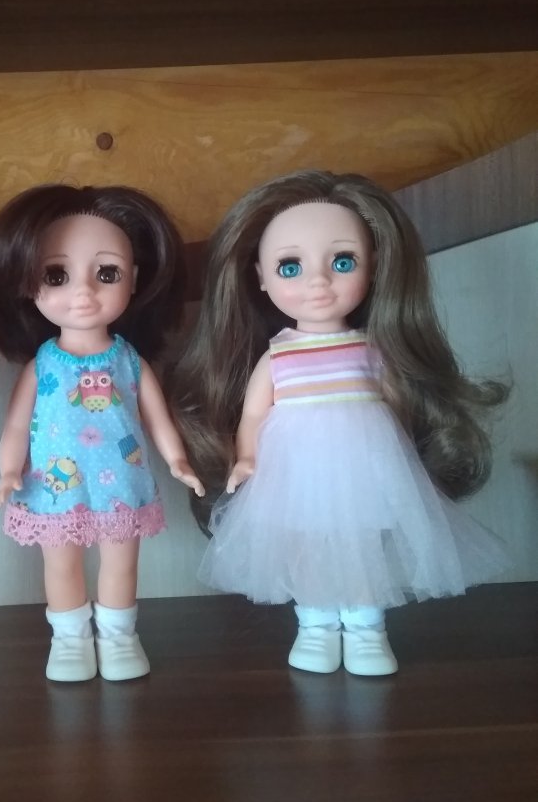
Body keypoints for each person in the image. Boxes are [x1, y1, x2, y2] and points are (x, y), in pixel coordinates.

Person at [167, 170, 508, 676]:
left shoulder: (372, 349)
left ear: (374, 267)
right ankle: (316, 625)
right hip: (296, 470)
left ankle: (367, 629)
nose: (318, 282)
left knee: (364, 544)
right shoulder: (278, 356)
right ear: (259, 277)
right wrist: (247, 457)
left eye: (342, 262)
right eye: (290, 266)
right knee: (306, 544)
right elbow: (255, 412)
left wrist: (403, 456)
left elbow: (396, 404)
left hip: (363, 464)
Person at [0, 184, 204, 682]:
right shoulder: (43, 363)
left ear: (134, 279)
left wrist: (178, 460)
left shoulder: (128, 359)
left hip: (121, 481)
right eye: (56, 275)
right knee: (60, 564)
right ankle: (69, 641)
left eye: (107, 274)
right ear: (26, 281)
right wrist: (8, 471)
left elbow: (156, 416)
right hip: (53, 485)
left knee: (121, 564)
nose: (83, 293)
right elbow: (16, 423)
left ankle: (120, 638)